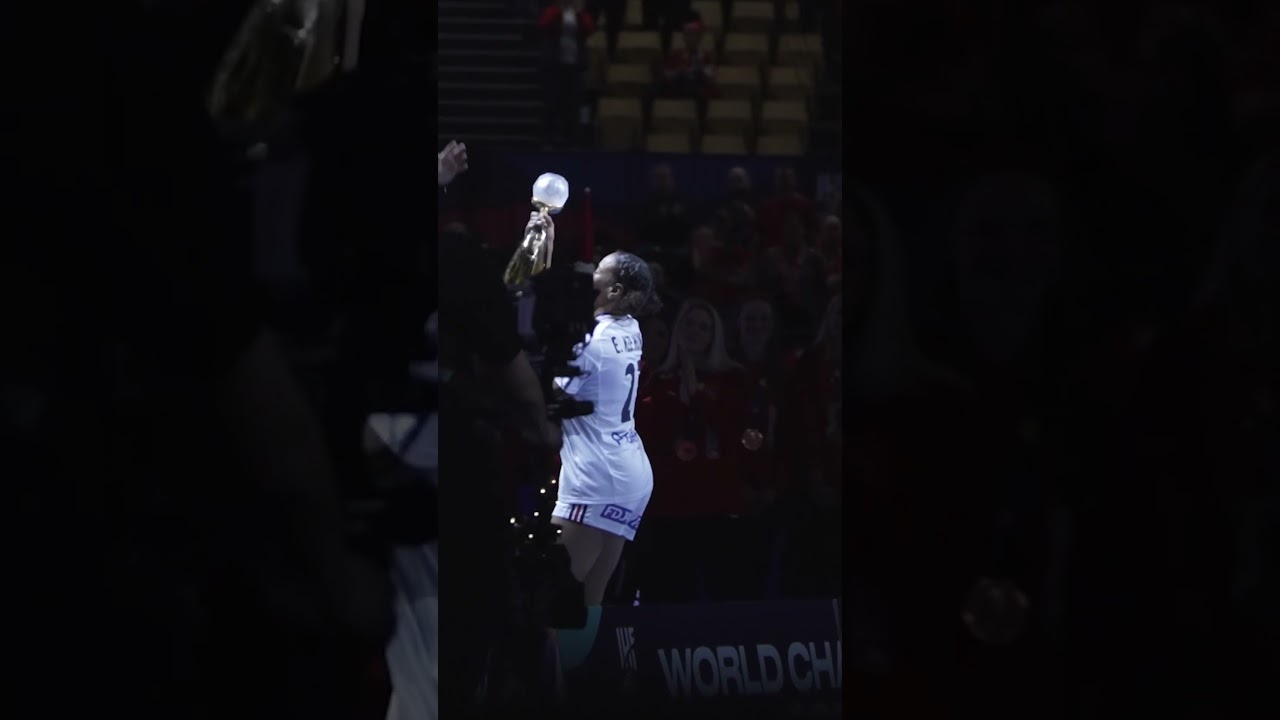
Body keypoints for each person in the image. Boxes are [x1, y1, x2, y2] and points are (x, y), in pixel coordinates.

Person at [550, 249, 661, 606]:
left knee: (553, 596)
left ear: (614, 291)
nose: (588, 273)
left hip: (596, 478)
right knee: (589, 596)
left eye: (598, 269)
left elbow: (544, 394)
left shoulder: (592, 343)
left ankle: (550, 649)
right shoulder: (631, 327)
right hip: (630, 473)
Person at [635, 299, 757, 603]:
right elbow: (649, 435)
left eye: (705, 327)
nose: (695, 331)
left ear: (715, 335)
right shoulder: (658, 379)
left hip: (716, 498)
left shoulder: (733, 377)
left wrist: (698, 397)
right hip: (669, 501)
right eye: (689, 323)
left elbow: (734, 431)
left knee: (723, 591)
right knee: (667, 592)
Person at [537, 0, 597, 146]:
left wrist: (579, 13)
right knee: (551, 103)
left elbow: (590, 29)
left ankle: (571, 140)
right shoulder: (552, 10)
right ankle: (547, 140)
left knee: (572, 104)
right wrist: (558, 12)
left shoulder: (579, 13)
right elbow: (542, 25)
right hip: (554, 65)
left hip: (573, 65)